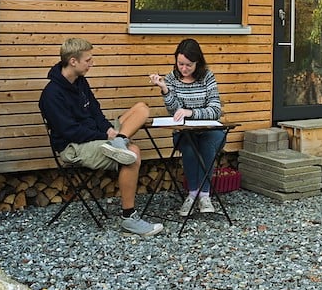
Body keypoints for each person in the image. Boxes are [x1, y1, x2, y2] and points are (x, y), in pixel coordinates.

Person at [40, 38, 164, 237]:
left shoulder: (80, 82)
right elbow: (70, 131)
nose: (92, 63)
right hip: (74, 146)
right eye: (88, 60)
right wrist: (102, 134)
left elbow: (95, 111)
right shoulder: (51, 95)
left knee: (141, 108)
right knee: (132, 154)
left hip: (98, 134)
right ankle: (129, 218)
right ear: (73, 61)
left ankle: (119, 141)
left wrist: (109, 130)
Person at [148, 38, 225, 217]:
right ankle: (192, 193)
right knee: (189, 147)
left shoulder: (207, 76)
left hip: (210, 130)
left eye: (188, 65)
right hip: (184, 132)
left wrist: (191, 112)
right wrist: (165, 90)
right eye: (180, 64)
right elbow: (174, 111)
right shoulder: (172, 78)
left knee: (207, 144)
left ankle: (204, 195)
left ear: (198, 63)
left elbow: (215, 110)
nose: (183, 69)